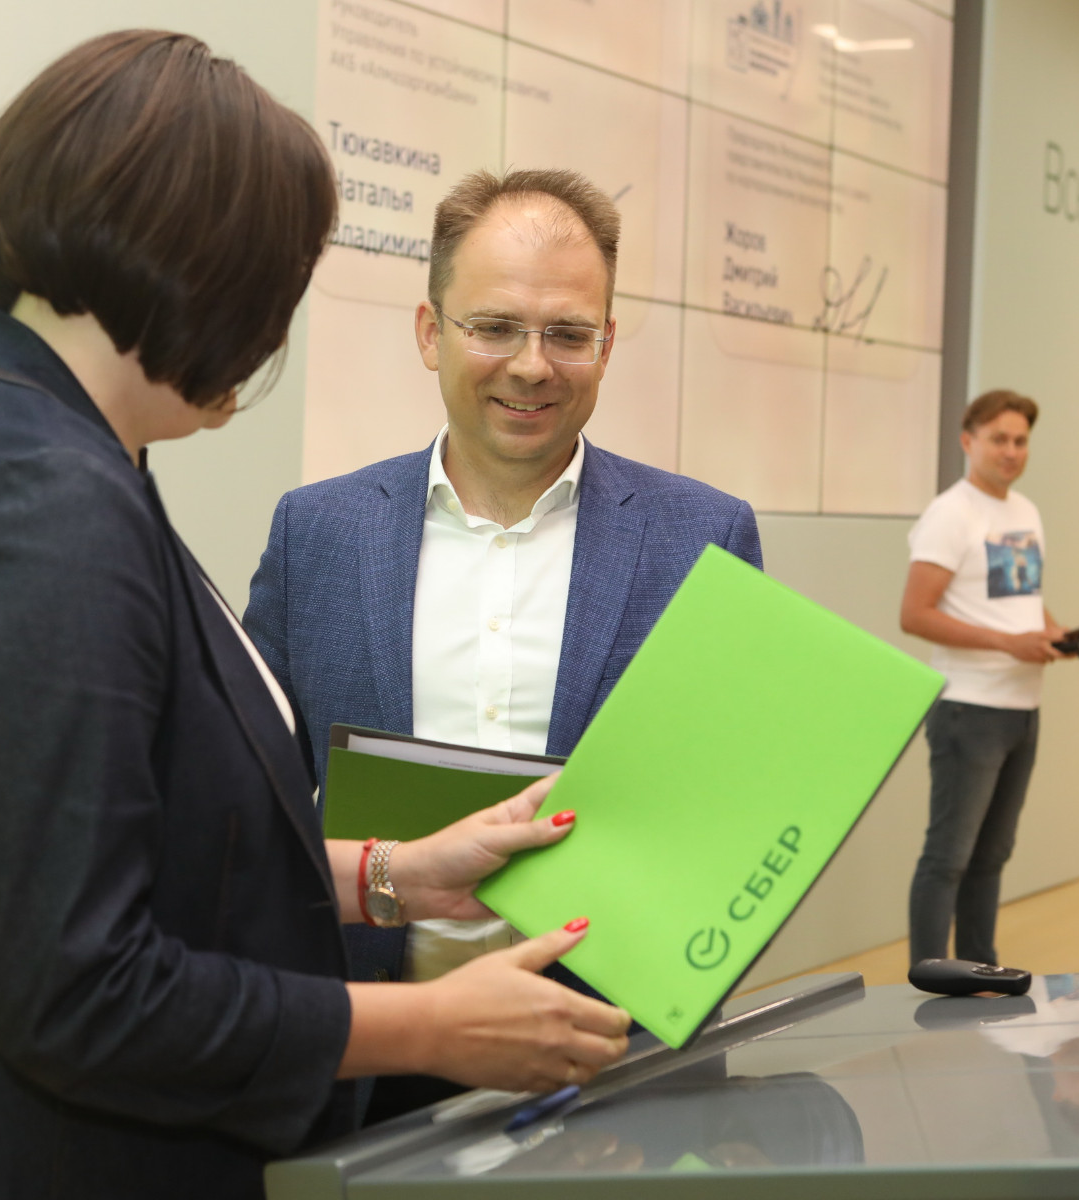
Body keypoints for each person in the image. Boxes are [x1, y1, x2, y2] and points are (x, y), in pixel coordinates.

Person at [0, 32, 628, 1200]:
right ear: (195, 267)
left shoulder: (38, 435)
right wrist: (429, 1027)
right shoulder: (44, 502)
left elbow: (141, 849)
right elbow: (82, 990)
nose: (273, 335)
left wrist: (394, 874)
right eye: (276, 288)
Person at [245, 168, 759, 1115]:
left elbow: (736, 821)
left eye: (568, 333)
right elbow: (248, 808)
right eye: (494, 327)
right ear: (429, 331)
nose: (532, 365)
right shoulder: (317, 533)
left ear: (607, 344)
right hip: (365, 1056)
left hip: (610, 1057)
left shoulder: (704, 539)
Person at [899, 389, 1072, 968]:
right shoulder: (950, 514)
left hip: (1023, 708)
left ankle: (980, 971)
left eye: (1021, 440)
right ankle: (929, 977)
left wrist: (1053, 632)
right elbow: (914, 614)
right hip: (968, 710)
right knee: (948, 858)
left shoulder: (1026, 512)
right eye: (999, 439)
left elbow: (1020, 599)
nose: (1012, 450)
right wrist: (1008, 643)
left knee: (992, 856)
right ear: (967, 440)